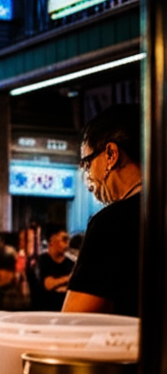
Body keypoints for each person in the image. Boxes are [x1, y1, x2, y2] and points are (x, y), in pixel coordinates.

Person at [63, 103, 141, 317]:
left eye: (87, 163)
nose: (87, 175)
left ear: (110, 155)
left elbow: (75, 318)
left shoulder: (112, 222)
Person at [34, 223, 74, 311]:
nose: (67, 244)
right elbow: (48, 284)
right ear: (52, 240)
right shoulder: (42, 261)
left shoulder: (71, 263)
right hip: (44, 311)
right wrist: (69, 278)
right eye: (64, 239)